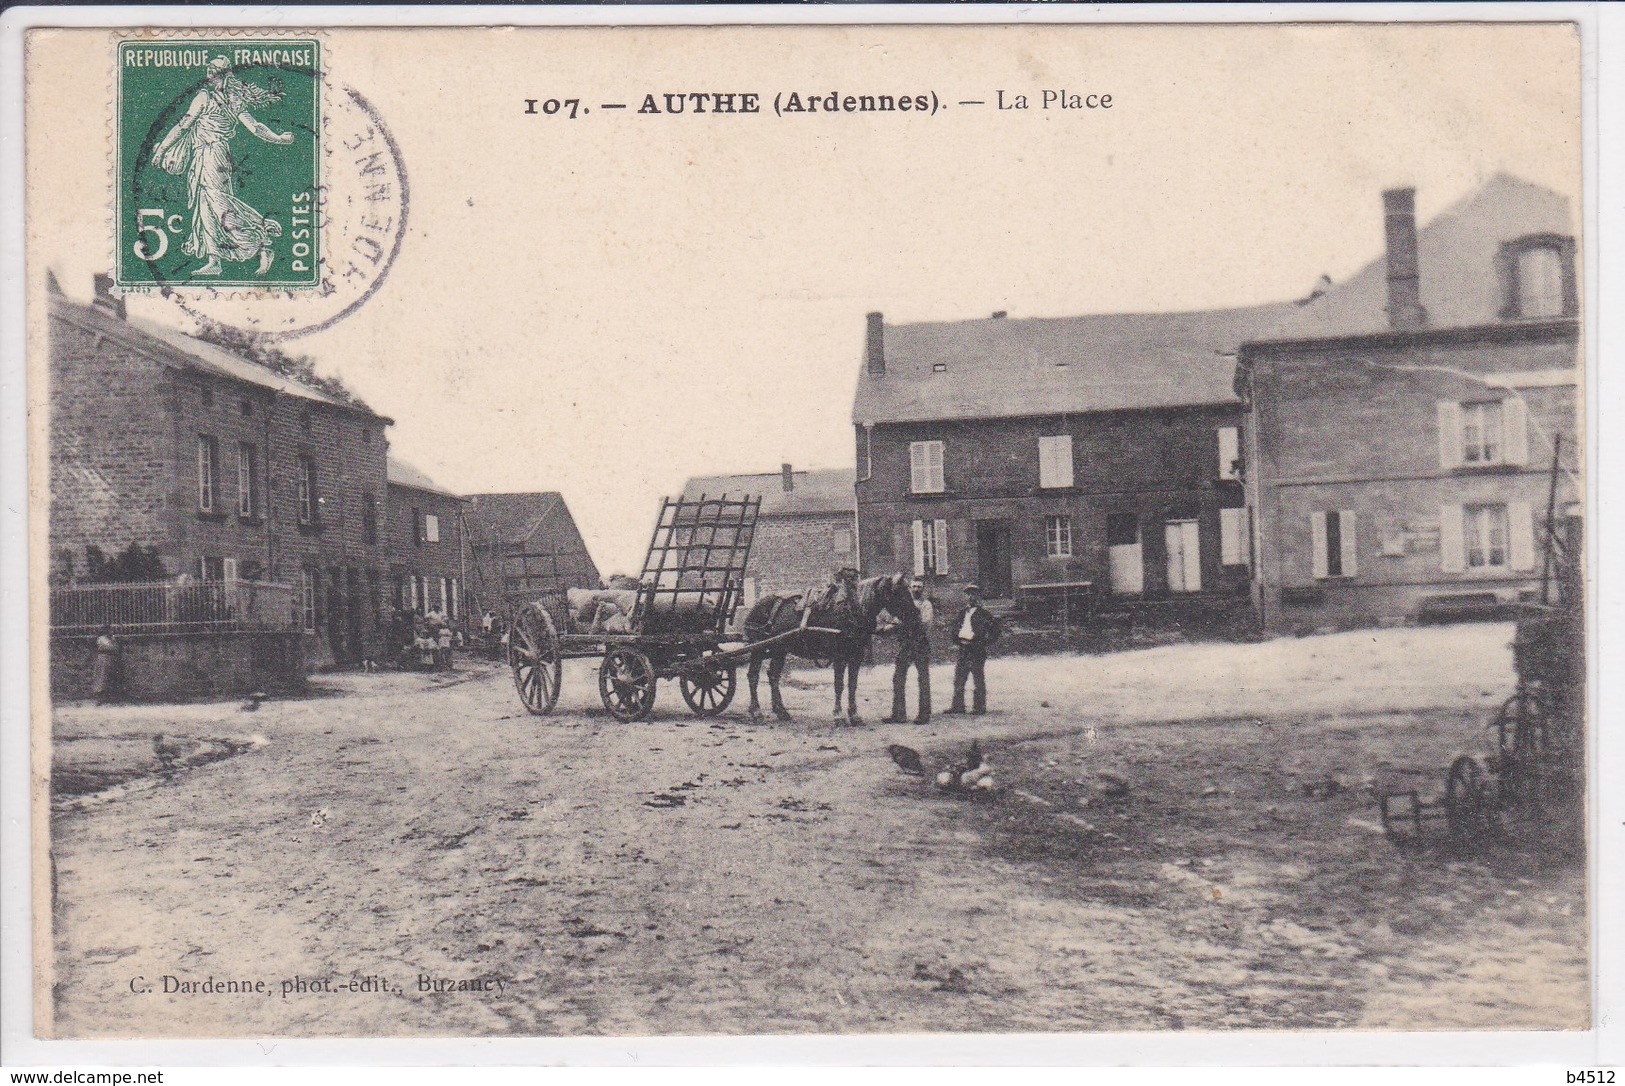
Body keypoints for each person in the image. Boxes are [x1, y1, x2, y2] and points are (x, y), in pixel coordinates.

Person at [150, 57, 294, 277]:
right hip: (202, 156)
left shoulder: (220, 98)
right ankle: (214, 260)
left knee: (219, 204)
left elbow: (254, 127)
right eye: (209, 70)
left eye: (213, 71)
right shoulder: (211, 97)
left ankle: (261, 242)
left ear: (222, 74)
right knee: (205, 206)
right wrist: (279, 138)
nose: (209, 75)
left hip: (214, 155)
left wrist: (280, 139)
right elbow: (184, 126)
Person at [881, 578, 934, 725]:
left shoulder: (926, 605)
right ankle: (899, 714)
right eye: (914, 586)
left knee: (923, 679)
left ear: (923, 589)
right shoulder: (905, 605)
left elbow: (925, 624)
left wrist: (904, 623)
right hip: (906, 644)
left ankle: (924, 714)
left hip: (919, 644)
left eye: (919, 587)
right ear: (910, 588)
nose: (916, 589)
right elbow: (895, 620)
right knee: (898, 678)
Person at [945, 584, 1000, 715]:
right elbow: (955, 627)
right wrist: (956, 639)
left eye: (974, 594)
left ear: (978, 596)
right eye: (968, 594)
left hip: (976, 649)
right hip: (963, 648)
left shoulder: (984, 614)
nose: (971, 597)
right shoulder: (962, 613)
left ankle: (979, 707)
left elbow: (995, 631)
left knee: (978, 678)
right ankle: (958, 706)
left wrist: (983, 642)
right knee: (959, 677)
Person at [91, 623, 121, 704]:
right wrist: (113, 643)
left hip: (110, 658)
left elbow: (116, 647)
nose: (111, 631)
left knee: (109, 677)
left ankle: (109, 698)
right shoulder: (102, 638)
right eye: (110, 630)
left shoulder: (111, 638)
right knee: (101, 677)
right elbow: (111, 647)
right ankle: (99, 698)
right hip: (103, 658)